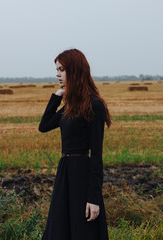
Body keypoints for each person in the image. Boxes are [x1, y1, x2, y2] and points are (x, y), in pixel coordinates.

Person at [39, 48, 111, 240]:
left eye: (61, 69)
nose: (57, 74)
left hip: (81, 174)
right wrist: (57, 96)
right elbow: (44, 126)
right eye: (57, 69)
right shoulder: (70, 106)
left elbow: (96, 156)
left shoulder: (94, 105)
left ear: (75, 70)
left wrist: (93, 199)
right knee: (59, 228)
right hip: (65, 173)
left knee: (82, 231)